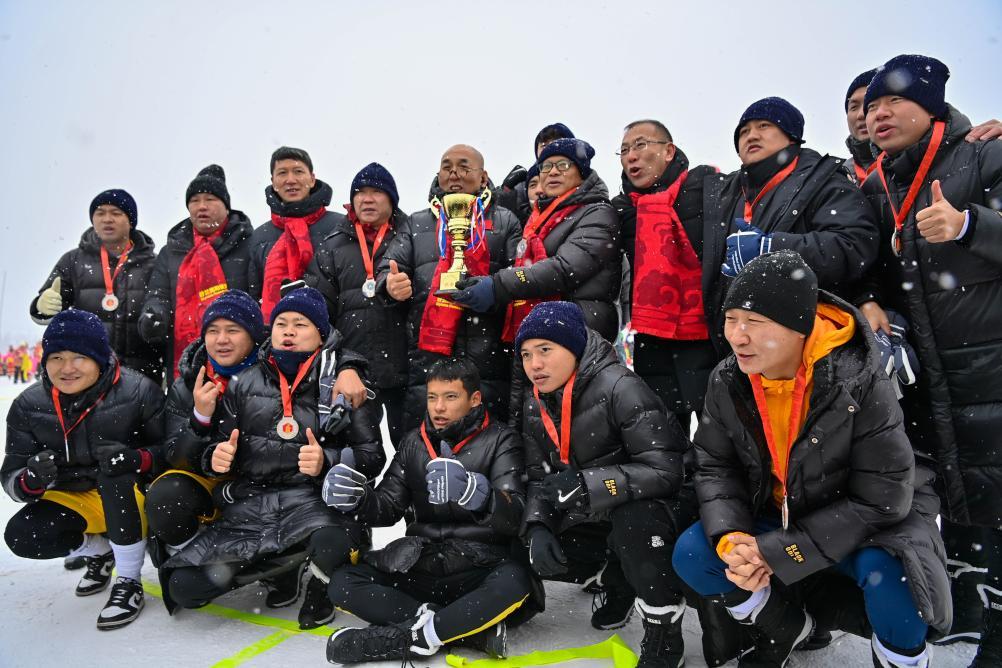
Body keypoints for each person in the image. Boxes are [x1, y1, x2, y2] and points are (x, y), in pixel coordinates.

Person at [672, 250, 950, 668]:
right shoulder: (728, 379)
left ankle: (899, 658)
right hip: (780, 515)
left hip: (862, 522)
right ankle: (785, 627)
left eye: (754, 322)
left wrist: (779, 552)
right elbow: (715, 465)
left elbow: (884, 499)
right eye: (731, 319)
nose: (737, 336)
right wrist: (733, 538)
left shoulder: (857, 379)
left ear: (798, 327)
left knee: (899, 578)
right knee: (695, 553)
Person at [856, 53, 1002, 667]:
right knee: (957, 488)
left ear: (931, 106)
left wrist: (969, 225)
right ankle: (969, 603)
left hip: (988, 365)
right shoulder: (877, 183)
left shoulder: (986, 155)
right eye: (871, 106)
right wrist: (868, 299)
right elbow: (865, 261)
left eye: (894, 101)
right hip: (927, 372)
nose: (879, 114)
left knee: (994, 490)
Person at [163, 287, 384, 632]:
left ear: (321, 334)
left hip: (312, 502)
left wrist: (326, 461)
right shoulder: (244, 381)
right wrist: (214, 457)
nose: (289, 332)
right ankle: (285, 569)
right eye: (281, 324)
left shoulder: (344, 381)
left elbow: (372, 458)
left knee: (333, 540)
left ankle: (321, 583)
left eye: (301, 324)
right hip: (253, 504)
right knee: (184, 588)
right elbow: (217, 445)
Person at [516, 301, 693, 667]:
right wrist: (537, 526)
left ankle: (663, 630)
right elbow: (539, 477)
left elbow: (668, 470)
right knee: (517, 528)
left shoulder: (620, 388)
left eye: (545, 350)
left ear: (574, 347)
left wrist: (589, 484)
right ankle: (617, 577)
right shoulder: (536, 403)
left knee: (635, 523)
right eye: (526, 354)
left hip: (661, 509)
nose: (535, 364)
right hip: (597, 508)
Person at [324, 358, 534, 663]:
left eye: (451, 397)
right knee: (343, 583)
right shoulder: (414, 442)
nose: (439, 407)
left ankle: (414, 637)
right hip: (422, 562)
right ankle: (458, 629)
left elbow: (515, 515)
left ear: (475, 399)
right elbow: (388, 507)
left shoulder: (502, 439)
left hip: (479, 567)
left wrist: (478, 495)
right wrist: (358, 498)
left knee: (516, 580)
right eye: (433, 397)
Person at [2, 309, 166, 629]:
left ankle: (129, 581)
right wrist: (30, 479)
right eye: (57, 357)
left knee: (114, 475)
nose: (67, 368)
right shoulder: (28, 405)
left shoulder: (139, 391)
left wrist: (137, 459)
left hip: (132, 498)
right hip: (77, 498)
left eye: (79, 357)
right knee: (22, 535)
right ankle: (100, 552)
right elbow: (11, 475)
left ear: (99, 359)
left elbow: (170, 452)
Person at [702, 97, 879, 357]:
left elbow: (854, 244)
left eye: (764, 126)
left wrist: (771, 248)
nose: (752, 135)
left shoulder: (824, 180)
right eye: (744, 131)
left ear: (791, 135)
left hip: (806, 344)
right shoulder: (725, 193)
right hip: (738, 344)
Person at [376, 144, 521, 428]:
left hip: (489, 353)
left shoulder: (504, 221)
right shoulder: (417, 223)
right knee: (426, 439)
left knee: (488, 439)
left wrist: (493, 290)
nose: (454, 173)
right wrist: (390, 285)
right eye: (447, 167)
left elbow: (519, 275)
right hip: (429, 355)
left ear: (483, 177)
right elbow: (388, 268)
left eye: (464, 167)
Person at [144, 290, 267, 611]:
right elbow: (174, 455)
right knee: (165, 494)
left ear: (254, 335)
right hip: (211, 487)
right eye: (213, 331)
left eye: (233, 330)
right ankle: (198, 553)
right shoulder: (188, 381)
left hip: (261, 493)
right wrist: (199, 419)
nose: (221, 340)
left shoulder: (274, 373)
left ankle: (278, 565)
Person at [612, 119, 719, 425]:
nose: (631, 156)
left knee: (718, 429)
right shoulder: (621, 209)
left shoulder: (708, 189)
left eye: (640, 145)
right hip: (652, 338)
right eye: (623, 150)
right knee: (662, 430)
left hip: (705, 332)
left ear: (669, 151)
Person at [306, 163, 410, 446]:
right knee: (361, 455)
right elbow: (320, 315)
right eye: (360, 193)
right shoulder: (331, 246)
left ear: (392, 199)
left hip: (407, 368)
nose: (367, 199)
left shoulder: (411, 236)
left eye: (376, 192)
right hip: (354, 369)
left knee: (411, 452)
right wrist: (342, 363)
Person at [30, 189, 163, 382]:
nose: (107, 219)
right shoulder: (73, 261)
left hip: (142, 374)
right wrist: (42, 307)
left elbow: (166, 315)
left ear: (131, 221)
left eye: (116, 213)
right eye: (100, 213)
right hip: (87, 373)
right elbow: (47, 306)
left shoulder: (154, 264)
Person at [139, 165, 255, 379]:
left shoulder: (249, 245)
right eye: (194, 200)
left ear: (226, 206)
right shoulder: (171, 252)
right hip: (183, 357)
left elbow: (257, 298)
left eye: (210, 199)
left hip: (240, 359)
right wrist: (154, 314)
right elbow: (158, 295)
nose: (202, 206)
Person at [844, 69, 1002, 185]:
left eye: (894, 100)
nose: (862, 114)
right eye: (854, 107)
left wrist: (969, 220)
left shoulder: (977, 147)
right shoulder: (838, 176)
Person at [247, 147, 345, 323]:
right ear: (273, 182)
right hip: (276, 333)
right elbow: (253, 298)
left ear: (312, 179)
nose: (290, 180)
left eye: (298, 171)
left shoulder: (340, 226)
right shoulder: (259, 237)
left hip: (334, 329)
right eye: (282, 173)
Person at [496, 122, 576, 225]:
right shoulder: (524, 184)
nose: (550, 149)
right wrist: (506, 192)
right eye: (544, 145)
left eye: (556, 143)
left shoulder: (584, 182)